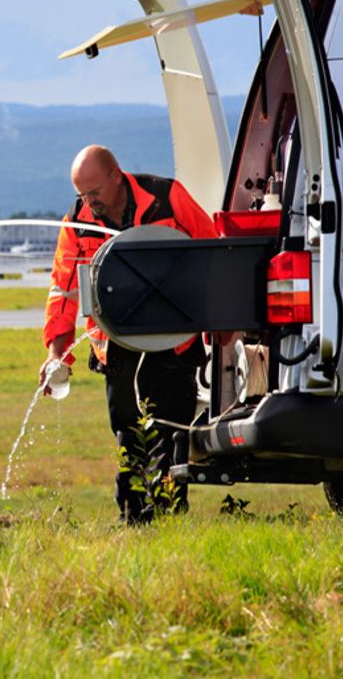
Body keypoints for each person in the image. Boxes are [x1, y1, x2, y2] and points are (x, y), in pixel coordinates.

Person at [38, 145, 217, 523]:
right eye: (81, 195)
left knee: (170, 431)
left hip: (174, 339)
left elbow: (212, 254)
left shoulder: (168, 198)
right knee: (127, 433)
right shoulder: (77, 221)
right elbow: (63, 290)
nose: (89, 202)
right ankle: (133, 520)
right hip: (115, 346)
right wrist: (57, 354)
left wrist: (224, 324)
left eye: (95, 192)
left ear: (116, 175)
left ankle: (168, 516)